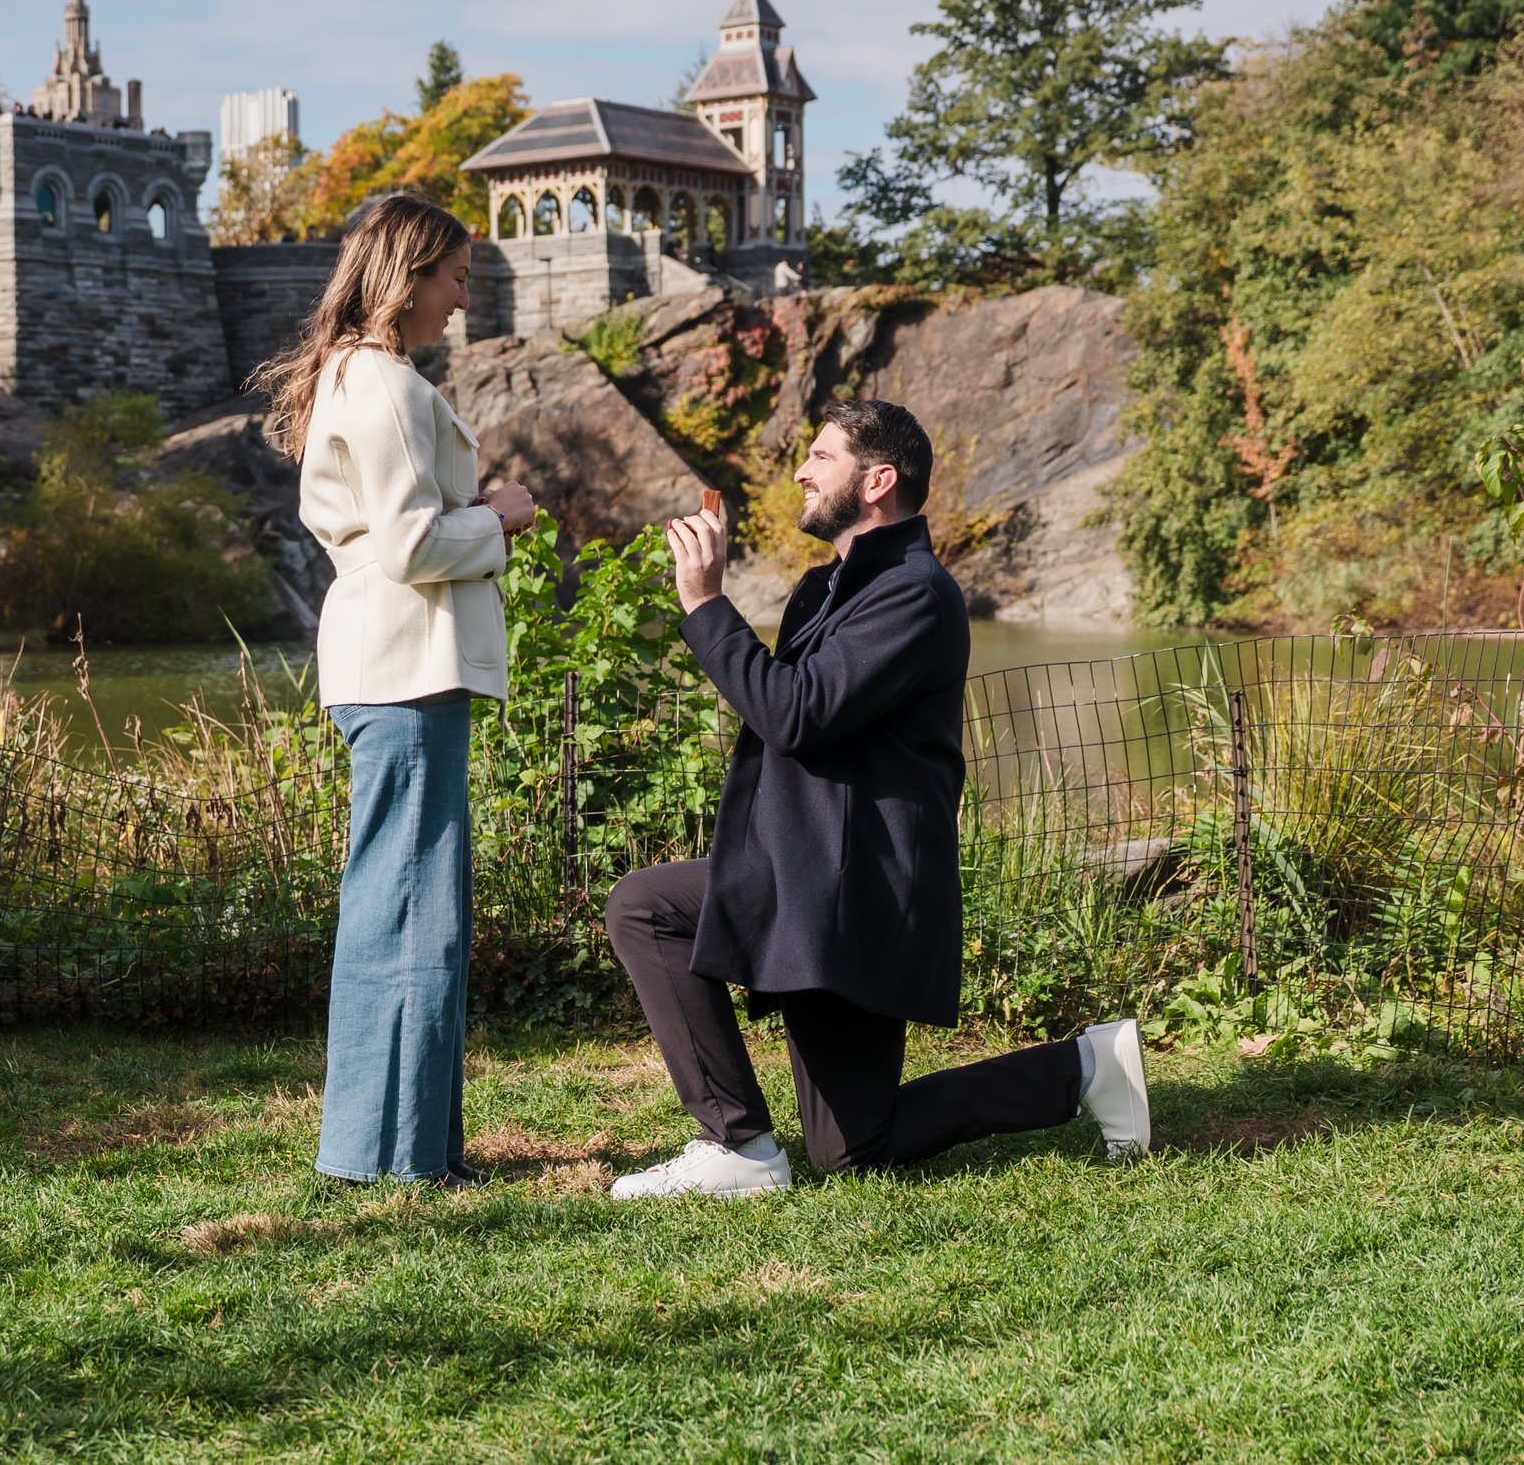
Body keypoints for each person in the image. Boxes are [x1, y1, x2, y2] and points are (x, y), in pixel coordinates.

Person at [603, 399, 1151, 1196]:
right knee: (646, 908)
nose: (800, 470)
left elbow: (793, 714)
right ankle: (744, 1142)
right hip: (801, 873)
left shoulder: (914, 593)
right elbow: (787, 708)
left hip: (852, 893)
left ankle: (1082, 1068)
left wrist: (706, 606)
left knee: (853, 1146)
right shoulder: (826, 588)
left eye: (821, 457)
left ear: (877, 480)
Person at [254, 192, 536, 1185]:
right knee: (413, 909)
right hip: (404, 663)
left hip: (393, 663)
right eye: (456, 276)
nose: (466, 297)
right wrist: (501, 517)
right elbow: (415, 546)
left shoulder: (361, 377)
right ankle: (399, 1158)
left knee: (405, 902)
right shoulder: (381, 385)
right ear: (409, 279)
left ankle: (402, 1148)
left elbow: (397, 533)